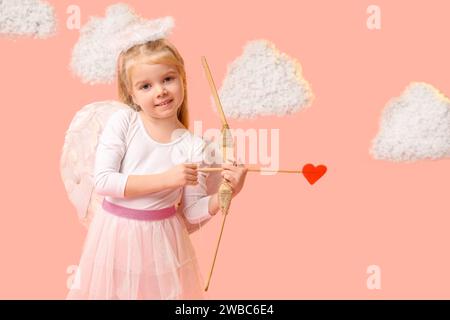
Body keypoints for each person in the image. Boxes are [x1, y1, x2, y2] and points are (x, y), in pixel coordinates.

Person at [66, 38, 248, 299]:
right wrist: (166, 179)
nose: (160, 91)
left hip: (162, 242)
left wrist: (226, 193)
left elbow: (192, 212)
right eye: (146, 86)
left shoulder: (193, 146)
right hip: (116, 235)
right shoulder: (125, 122)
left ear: (183, 80)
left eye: (168, 79)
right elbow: (104, 182)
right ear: (132, 94)